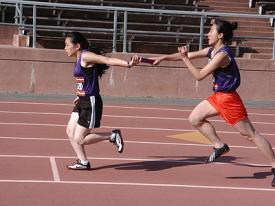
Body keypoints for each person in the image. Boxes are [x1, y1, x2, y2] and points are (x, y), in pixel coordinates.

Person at [152, 19, 275, 187]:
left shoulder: (222, 55)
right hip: (218, 97)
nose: (208, 34)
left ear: (220, 35)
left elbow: (199, 75)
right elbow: (188, 55)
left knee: (251, 135)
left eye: (211, 31)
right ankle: (219, 145)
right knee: (195, 118)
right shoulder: (212, 50)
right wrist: (163, 57)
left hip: (229, 100)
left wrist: (184, 59)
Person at [64, 32, 140, 170]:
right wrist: (79, 94)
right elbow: (85, 80)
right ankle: (83, 162)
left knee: (79, 138)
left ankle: (111, 135)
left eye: (67, 45)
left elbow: (107, 61)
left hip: (90, 102)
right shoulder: (78, 57)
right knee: (70, 131)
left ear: (77, 46)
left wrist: (128, 64)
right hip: (82, 99)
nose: (65, 48)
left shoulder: (85, 55)